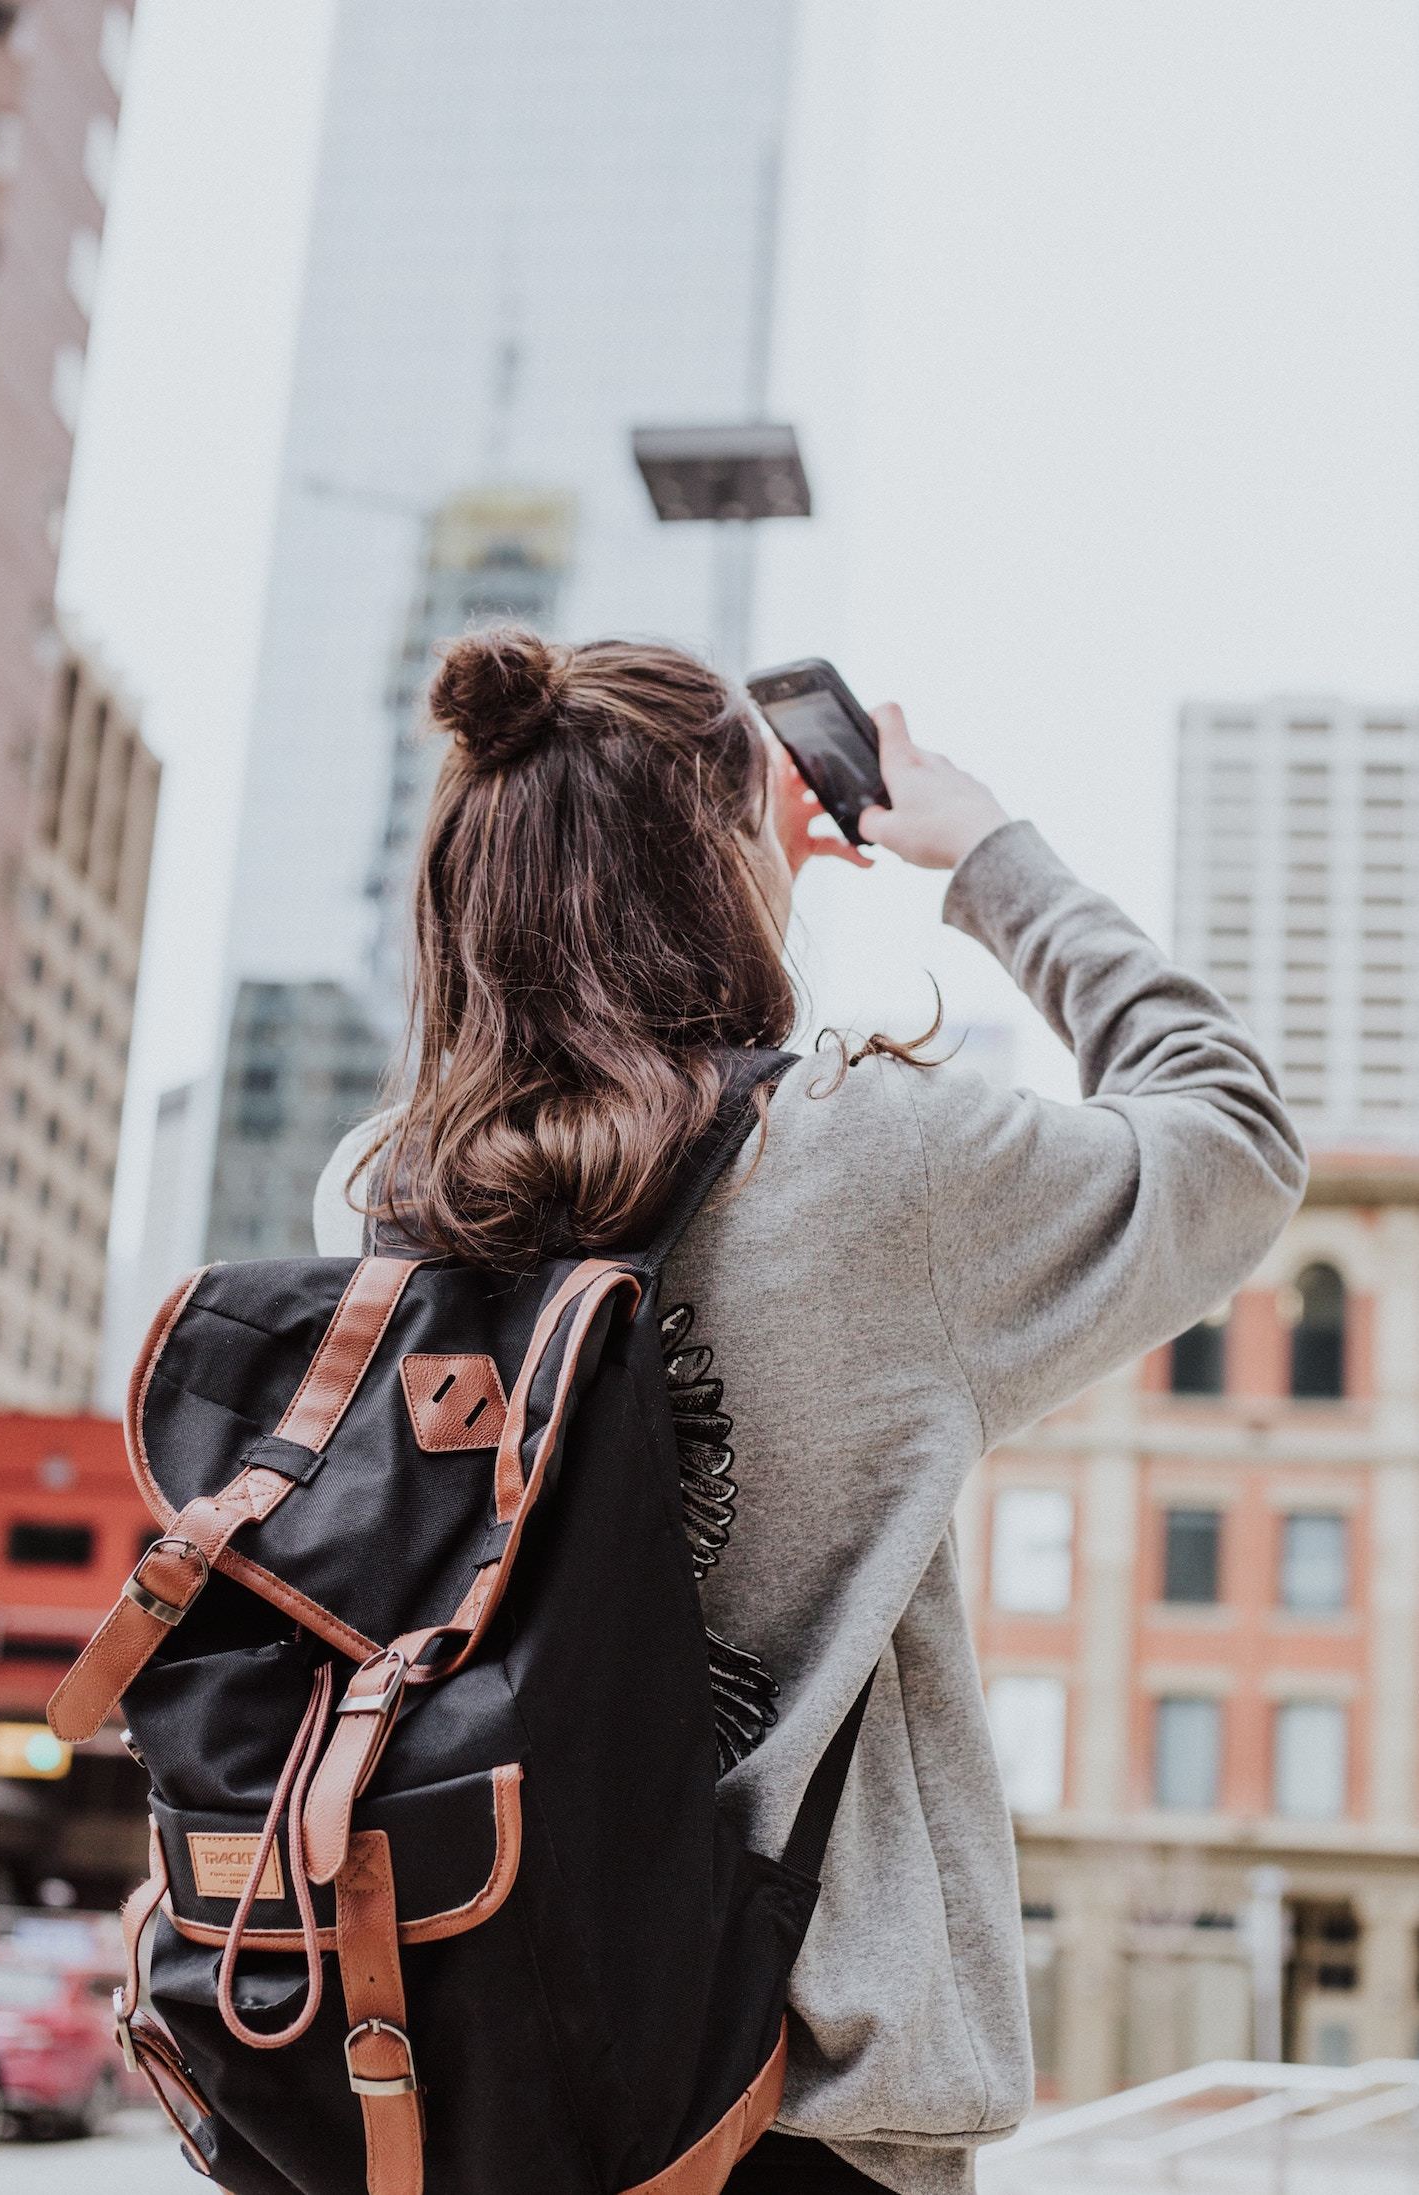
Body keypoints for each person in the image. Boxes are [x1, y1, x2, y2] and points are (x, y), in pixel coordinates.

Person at [315, 628, 1305, 2195]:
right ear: (717, 856)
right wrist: (982, 851)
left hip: (467, 2073)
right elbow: (1233, 1128)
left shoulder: (381, 1198)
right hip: (799, 2114)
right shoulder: (871, 1164)